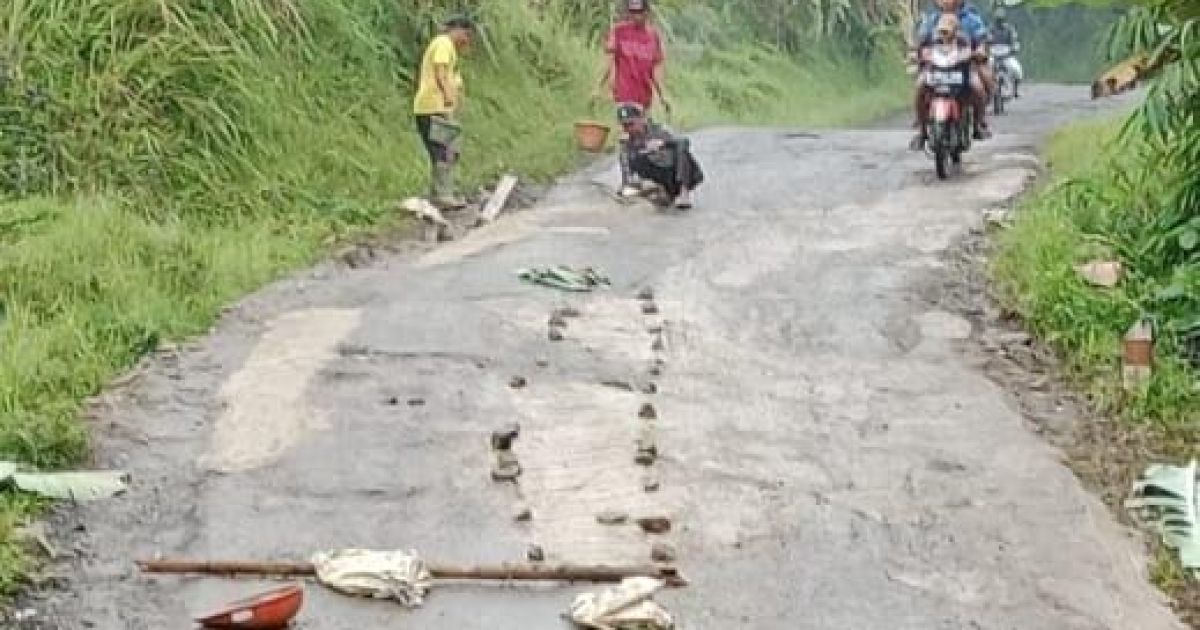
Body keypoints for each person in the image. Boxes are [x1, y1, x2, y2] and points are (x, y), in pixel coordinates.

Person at [598, 0, 671, 198]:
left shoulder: (652, 36)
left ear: (647, 13)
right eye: (632, 12)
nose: (635, 16)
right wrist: (598, 86)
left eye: (639, 12)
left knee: (641, 138)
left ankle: (639, 176)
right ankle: (628, 180)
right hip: (624, 93)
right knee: (627, 135)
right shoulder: (619, 32)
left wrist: (663, 94)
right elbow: (609, 61)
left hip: (643, 96)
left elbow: (656, 69)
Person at [910, 0, 992, 150]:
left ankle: (978, 124)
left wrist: (979, 50)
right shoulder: (931, 19)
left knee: (978, 88)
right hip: (936, 67)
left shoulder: (971, 19)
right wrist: (917, 54)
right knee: (920, 86)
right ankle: (922, 131)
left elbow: (981, 39)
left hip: (964, 66)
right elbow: (921, 41)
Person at [414, 16, 475, 208]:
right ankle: (442, 196)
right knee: (443, 150)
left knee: (447, 149)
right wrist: (448, 95)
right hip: (433, 107)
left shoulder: (450, 49)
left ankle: (441, 192)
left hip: (437, 108)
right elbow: (440, 72)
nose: (467, 40)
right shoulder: (443, 44)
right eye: (466, 35)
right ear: (456, 30)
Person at [617, 103, 703, 209]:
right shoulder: (627, 144)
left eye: (631, 124)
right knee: (632, 160)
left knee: (681, 148)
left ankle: (683, 192)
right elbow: (627, 176)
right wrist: (626, 189)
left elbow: (684, 141)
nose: (628, 129)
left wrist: (663, 143)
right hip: (658, 179)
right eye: (625, 126)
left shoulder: (660, 129)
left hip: (675, 174)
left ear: (642, 119)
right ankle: (661, 193)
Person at [989, 8, 1023, 98]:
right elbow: (986, 39)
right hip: (993, 54)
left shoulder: (1010, 29)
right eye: (997, 20)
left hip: (1006, 55)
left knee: (1016, 69)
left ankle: (1016, 89)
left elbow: (1015, 40)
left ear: (1004, 19)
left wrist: (1015, 47)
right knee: (987, 67)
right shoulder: (990, 29)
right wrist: (986, 45)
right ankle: (986, 89)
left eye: (1000, 19)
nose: (999, 22)